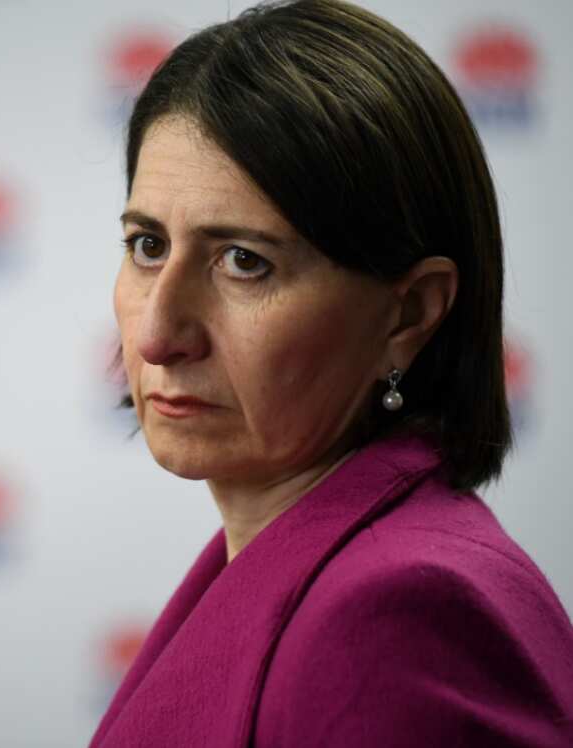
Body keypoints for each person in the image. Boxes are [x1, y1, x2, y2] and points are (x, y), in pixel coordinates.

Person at [89, 1, 573, 746]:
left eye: (244, 262)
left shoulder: (398, 620)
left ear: (408, 313)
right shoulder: (295, 561)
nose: (156, 335)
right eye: (147, 245)